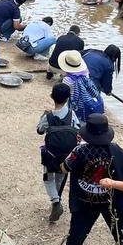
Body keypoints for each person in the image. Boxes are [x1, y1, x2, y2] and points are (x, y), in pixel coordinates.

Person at [61, 113, 123, 245]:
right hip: (111, 199)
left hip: (84, 199)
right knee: (122, 229)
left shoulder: (79, 151)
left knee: (78, 229)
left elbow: (64, 168)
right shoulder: (115, 150)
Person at [37, 83, 80, 222]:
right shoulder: (72, 114)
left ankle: (56, 202)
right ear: (68, 98)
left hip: (50, 155)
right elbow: (78, 130)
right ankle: (58, 198)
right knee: (61, 177)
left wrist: (43, 115)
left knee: (48, 178)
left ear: (51, 96)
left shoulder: (48, 117)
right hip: (67, 155)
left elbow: (39, 130)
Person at [59, 51, 104, 123]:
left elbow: (67, 95)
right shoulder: (86, 73)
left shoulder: (67, 79)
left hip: (76, 103)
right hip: (87, 99)